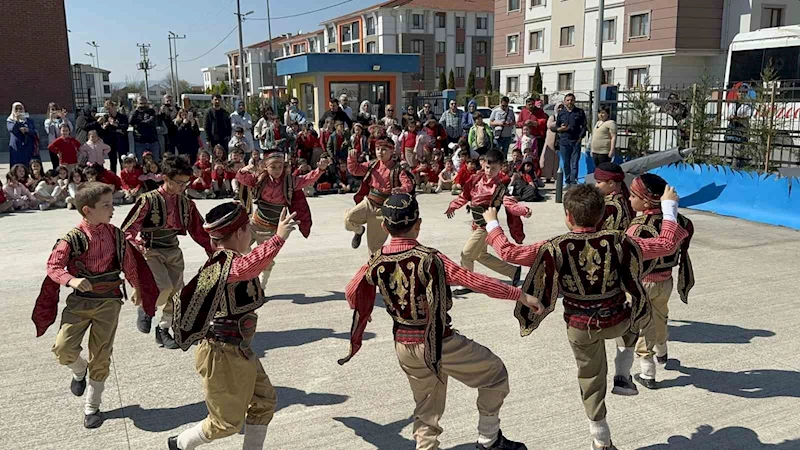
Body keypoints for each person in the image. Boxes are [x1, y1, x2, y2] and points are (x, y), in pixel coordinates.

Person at [485, 183, 688, 450]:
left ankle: (601, 439)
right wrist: (669, 207)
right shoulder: (621, 242)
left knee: (591, 379)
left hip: (581, 326)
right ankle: (624, 374)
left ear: (568, 215)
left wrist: (492, 223)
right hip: (617, 319)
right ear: (602, 213)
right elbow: (665, 244)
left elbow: (510, 253)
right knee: (640, 316)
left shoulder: (555, 246)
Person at [341, 193, 538, 450]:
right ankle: (489, 440)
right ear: (418, 224)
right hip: (439, 342)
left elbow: (351, 291)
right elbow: (473, 280)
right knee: (495, 375)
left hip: (403, 344)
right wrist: (518, 294)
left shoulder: (376, 261)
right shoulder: (430, 258)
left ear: (384, 226)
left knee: (427, 408)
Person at [168, 203, 298, 450]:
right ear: (239, 233)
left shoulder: (231, 260)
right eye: (247, 228)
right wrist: (278, 239)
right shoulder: (221, 265)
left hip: (239, 349)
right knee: (226, 423)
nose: (251, 232)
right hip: (221, 354)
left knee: (264, 402)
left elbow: (249, 265)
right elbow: (245, 268)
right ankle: (181, 444)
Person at [32, 182, 158, 429]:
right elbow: (53, 266)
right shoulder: (72, 239)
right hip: (80, 302)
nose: (113, 209)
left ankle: (92, 406)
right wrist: (72, 280)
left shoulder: (116, 235)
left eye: (112, 203)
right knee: (62, 349)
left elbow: (130, 264)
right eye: (107, 205)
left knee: (101, 354)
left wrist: (138, 289)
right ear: (87, 210)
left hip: (109, 302)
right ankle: (79, 372)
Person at [122, 156, 214, 350]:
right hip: (151, 249)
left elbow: (200, 231)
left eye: (185, 183)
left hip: (173, 250)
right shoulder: (148, 200)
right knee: (163, 287)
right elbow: (128, 230)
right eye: (179, 183)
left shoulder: (186, 203)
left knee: (177, 294)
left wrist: (214, 251)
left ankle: (163, 329)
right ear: (165, 178)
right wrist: (135, 245)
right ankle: (146, 307)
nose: (183, 187)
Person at [627, 174, 695, 390]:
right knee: (661, 316)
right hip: (666, 281)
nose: (629, 199)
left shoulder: (638, 226)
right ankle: (662, 352)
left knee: (642, 324)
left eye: (632, 195)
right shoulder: (681, 222)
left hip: (643, 283)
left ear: (646, 201)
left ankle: (647, 371)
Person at [235, 151, 330, 289]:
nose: (277, 170)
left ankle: (261, 285)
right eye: (273, 167)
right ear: (266, 167)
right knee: (239, 246)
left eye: (280, 167)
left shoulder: (290, 181)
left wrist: (320, 169)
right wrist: (243, 170)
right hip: (255, 223)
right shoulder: (260, 179)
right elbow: (241, 178)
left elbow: (307, 179)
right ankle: (249, 269)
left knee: (266, 259)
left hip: (271, 229)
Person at [445, 149, 527, 294]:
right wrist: (453, 206)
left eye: (493, 168)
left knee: (467, 254)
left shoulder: (500, 188)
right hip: (476, 224)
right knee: (480, 255)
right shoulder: (476, 179)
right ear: (483, 164)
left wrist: (523, 210)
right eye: (487, 167)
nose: (489, 171)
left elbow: (510, 204)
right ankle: (513, 271)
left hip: (486, 226)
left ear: (500, 167)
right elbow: (465, 196)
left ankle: (467, 283)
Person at [345, 139, 415, 254]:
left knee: (374, 248)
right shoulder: (372, 164)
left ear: (392, 151)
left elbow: (408, 184)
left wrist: (401, 189)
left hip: (383, 209)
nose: (380, 152)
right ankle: (359, 231)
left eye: (384, 149)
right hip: (368, 202)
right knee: (348, 219)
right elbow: (355, 170)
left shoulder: (397, 170)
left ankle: (374, 269)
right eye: (378, 149)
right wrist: (352, 158)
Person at [555, 93, 587, 186]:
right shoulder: (561, 113)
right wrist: (560, 129)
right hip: (564, 141)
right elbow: (556, 127)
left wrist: (580, 138)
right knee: (566, 163)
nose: (570, 102)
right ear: (565, 101)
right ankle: (567, 181)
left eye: (571, 100)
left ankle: (573, 182)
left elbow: (584, 126)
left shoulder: (579, 112)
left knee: (574, 163)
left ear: (574, 101)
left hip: (575, 141)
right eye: (568, 100)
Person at [594, 162, 634, 231]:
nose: (596, 186)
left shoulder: (607, 205)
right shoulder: (626, 197)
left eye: (598, 182)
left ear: (611, 183)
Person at [99, 100, 130, 173]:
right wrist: (103, 127)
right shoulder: (106, 118)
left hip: (121, 143)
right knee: (113, 162)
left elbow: (125, 127)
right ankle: (114, 180)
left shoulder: (122, 117)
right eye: (106, 109)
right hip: (111, 143)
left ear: (114, 107)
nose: (108, 111)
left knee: (122, 161)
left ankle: (124, 179)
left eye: (109, 108)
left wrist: (115, 124)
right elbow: (102, 132)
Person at [7, 102, 39, 167]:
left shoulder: (29, 120)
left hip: (28, 146)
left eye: (20, 108)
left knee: (29, 164)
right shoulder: (10, 120)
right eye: (16, 109)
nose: (19, 111)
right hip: (16, 146)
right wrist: (17, 120)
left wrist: (28, 130)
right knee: (17, 164)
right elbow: (12, 129)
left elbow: (35, 131)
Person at [129, 96, 160, 162]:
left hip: (152, 140)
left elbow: (152, 122)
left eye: (144, 103)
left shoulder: (151, 111)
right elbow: (130, 122)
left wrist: (139, 124)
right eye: (141, 103)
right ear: (137, 103)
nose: (143, 105)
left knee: (155, 161)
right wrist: (136, 110)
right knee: (141, 162)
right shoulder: (134, 112)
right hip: (140, 141)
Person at [44, 103, 74, 169]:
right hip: (53, 145)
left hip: (63, 144)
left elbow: (71, 129)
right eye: (52, 110)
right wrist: (51, 119)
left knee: (65, 163)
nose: (54, 111)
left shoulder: (62, 120)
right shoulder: (47, 121)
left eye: (56, 109)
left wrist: (63, 117)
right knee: (55, 163)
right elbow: (49, 131)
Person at [542, 109, 559, 183]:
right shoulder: (552, 117)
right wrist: (559, 123)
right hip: (550, 141)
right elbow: (549, 125)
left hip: (559, 141)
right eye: (559, 107)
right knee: (548, 160)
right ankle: (547, 176)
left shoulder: (565, 116)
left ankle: (557, 177)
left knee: (557, 160)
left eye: (562, 107)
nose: (560, 109)